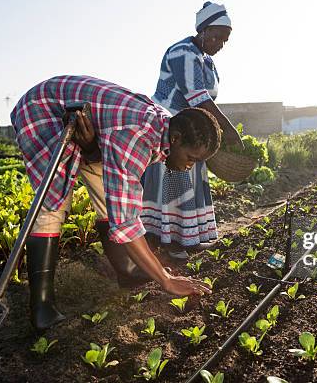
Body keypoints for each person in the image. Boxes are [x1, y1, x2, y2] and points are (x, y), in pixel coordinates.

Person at [11, 75, 214, 330]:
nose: (189, 166)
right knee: (52, 204)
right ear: (175, 139)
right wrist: (166, 280)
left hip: (89, 127)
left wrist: (91, 148)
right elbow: (127, 221)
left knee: (108, 200)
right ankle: (41, 307)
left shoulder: (165, 125)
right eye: (191, 158)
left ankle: (127, 271)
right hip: (43, 112)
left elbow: (119, 199)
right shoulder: (135, 137)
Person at [142, 1, 241, 260]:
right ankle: (171, 242)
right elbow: (198, 97)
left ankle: (190, 238)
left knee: (189, 179)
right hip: (170, 127)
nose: (220, 43)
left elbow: (206, 99)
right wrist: (228, 130)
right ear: (203, 30)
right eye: (217, 36)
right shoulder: (183, 52)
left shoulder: (205, 59)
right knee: (175, 179)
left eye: (225, 40)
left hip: (192, 128)